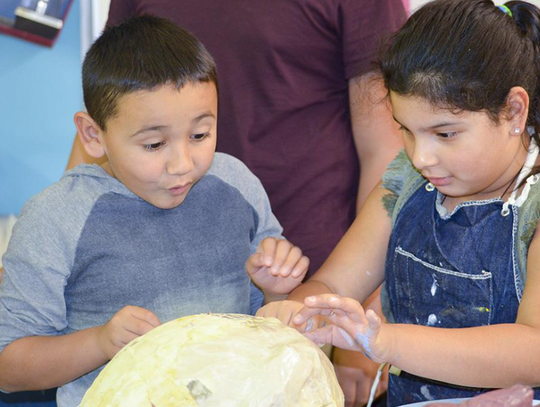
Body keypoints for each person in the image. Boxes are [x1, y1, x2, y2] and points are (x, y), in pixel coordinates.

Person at [65, 1, 407, 404]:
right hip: (157, 298)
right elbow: (112, 104)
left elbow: (387, 159)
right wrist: (64, 225)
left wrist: (360, 328)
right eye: (157, 144)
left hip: (308, 292)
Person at [0, 15, 309, 407]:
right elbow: (8, 366)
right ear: (94, 135)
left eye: (199, 135)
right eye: (153, 145)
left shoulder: (236, 183)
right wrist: (100, 342)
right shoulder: (56, 218)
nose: (182, 163)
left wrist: (273, 291)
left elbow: (260, 325)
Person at [258, 0, 540, 405]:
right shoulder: (406, 182)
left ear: (514, 110)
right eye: (406, 130)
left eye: (444, 134)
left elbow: (533, 349)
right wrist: (297, 314)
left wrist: (385, 341)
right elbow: (334, 285)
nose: (420, 157)